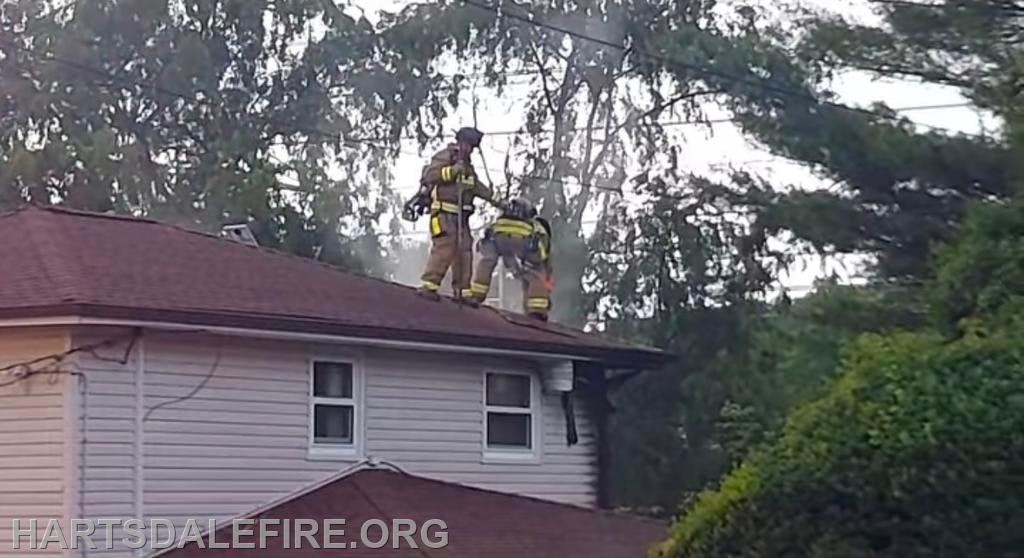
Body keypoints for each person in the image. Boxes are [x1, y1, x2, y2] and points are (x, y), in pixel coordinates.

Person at [405, 127, 505, 301]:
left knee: (464, 252)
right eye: (469, 145)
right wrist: (451, 172)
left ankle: (462, 292)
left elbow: (478, 188)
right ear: (461, 142)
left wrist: (499, 202)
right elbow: (430, 175)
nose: (470, 150)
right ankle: (429, 286)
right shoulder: (446, 156)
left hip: (461, 219)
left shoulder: (467, 168)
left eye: (473, 147)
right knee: (445, 248)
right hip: (443, 215)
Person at [466, 197, 553, 321]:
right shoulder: (540, 230)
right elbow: (543, 257)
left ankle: (476, 295)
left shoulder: (503, 218)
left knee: (488, 261)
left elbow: (508, 258)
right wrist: (542, 272)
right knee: (536, 273)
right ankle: (537, 311)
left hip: (497, 235)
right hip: (523, 240)